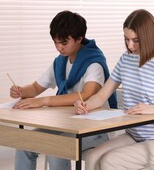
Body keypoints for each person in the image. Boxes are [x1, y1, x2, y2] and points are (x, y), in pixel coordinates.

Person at [74, 9, 154, 170]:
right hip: (135, 135)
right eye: (127, 40)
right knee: (92, 157)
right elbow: (102, 95)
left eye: (136, 40)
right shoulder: (126, 60)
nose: (130, 46)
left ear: (149, 37)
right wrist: (85, 105)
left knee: (110, 161)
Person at [9, 10, 117, 170]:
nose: (59, 47)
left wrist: (44, 100)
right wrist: (21, 91)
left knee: (56, 147)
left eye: (64, 43)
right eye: (55, 42)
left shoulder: (94, 63)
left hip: (96, 129)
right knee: (25, 143)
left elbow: (86, 94)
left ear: (79, 38)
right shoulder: (60, 62)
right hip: (66, 123)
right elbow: (36, 88)